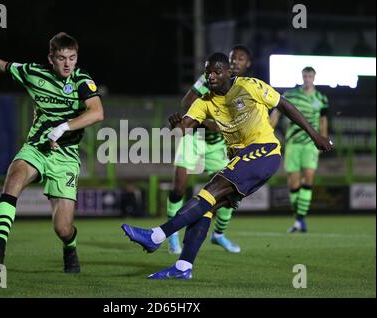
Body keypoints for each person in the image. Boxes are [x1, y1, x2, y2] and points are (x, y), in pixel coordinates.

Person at [121, 52, 333, 279]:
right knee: (206, 208)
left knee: (208, 191)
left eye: (217, 72)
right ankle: (183, 268)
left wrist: (315, 136)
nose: (211, 76)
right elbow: (185, 127)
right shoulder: (205, 102)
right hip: (242, 160)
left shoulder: (249, 86)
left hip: (265, 151)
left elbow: (285, 105)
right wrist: (176, 124)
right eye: (208, 72)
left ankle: (157, 236)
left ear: (228, 73)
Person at [0, 32, 104, 273]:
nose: (68, 63)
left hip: (66, 156)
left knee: (62, 228)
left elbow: (97, 112)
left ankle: (70, 247)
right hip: (36, 148)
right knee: (15, 176)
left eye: (72, 57)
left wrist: (61, 128)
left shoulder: (82, 80)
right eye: (61, 58)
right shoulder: (33, 72)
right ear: (51, 58)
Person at [167, 45, 252, 255]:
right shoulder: (209, 78)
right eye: (232, 58)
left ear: (247, 64)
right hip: (195, 138)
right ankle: (172, 237)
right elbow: (187, 101)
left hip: (220, 145)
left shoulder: (246, 88)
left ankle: (219, 235)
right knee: (179, 186)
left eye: (240, 59)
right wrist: (207, 122)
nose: (235, 61)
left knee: (227, 193)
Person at [270, 66, 329, 233]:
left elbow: (323, 122)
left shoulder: (321, 98)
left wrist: (322, 140)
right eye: (305, 76)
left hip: (310, 145)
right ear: (302, 77)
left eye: (310, 76)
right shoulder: (291, 95)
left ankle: (300, 220)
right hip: (293, 144)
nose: (307, 78)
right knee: (294, 183)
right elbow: (276, 113)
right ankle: (299, 218)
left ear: (314, 77)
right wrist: (267, 130)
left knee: (308, 180)